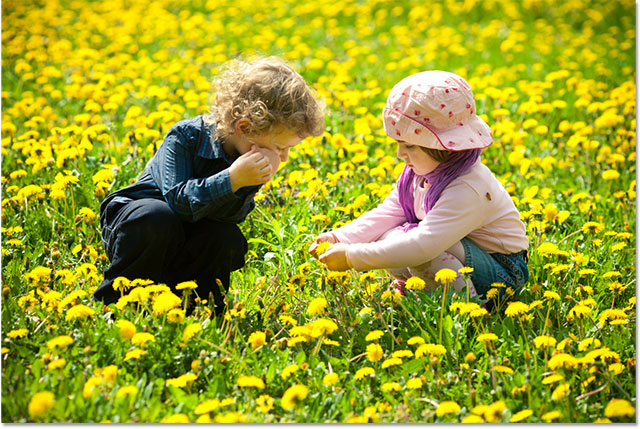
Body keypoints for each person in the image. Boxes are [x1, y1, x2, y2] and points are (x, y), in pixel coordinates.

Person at [94, 57, 325, 314]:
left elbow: (230, 217)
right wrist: (232, 179)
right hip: (140, 227)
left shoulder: (249, 161)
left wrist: (245, 184)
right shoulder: (186, 136)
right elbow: (178, 201)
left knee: (226, 238)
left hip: (186, 237)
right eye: (281, 147)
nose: (283, 158)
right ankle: (114, 304)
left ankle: (199, 309)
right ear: (245, 128)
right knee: (158, 217)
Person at [309, 70, 528, 300]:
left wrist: (352, 257)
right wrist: (340, 238)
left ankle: (467, 308)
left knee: (420, 252)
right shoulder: (422, 171)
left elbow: (424, 245)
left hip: (503, 273)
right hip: (462, 252)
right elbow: (388, 213)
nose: (399, 154)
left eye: (409, 146)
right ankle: (417, 291)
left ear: (441, 147)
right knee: (391, 235)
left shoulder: (468, 188)